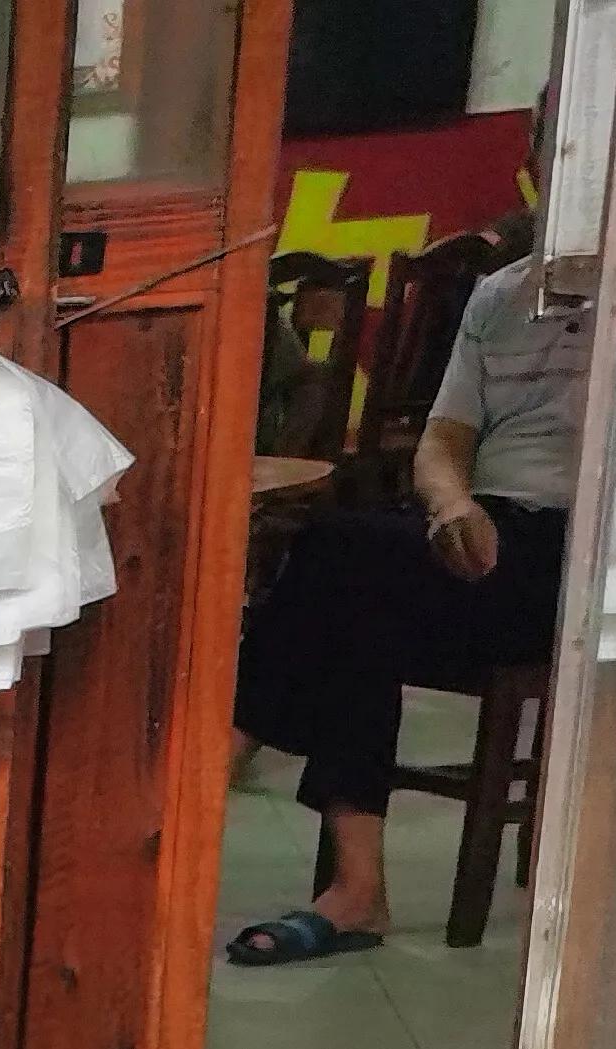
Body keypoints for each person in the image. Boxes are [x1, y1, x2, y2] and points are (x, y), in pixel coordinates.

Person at [226, 237, 592, 963]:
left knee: (339, 559)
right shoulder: (502, 294)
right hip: (488, 527)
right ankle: (356, 891)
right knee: (352, 602)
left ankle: (222, 758)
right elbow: (443, 441)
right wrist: (452, 505)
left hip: (585, 547)